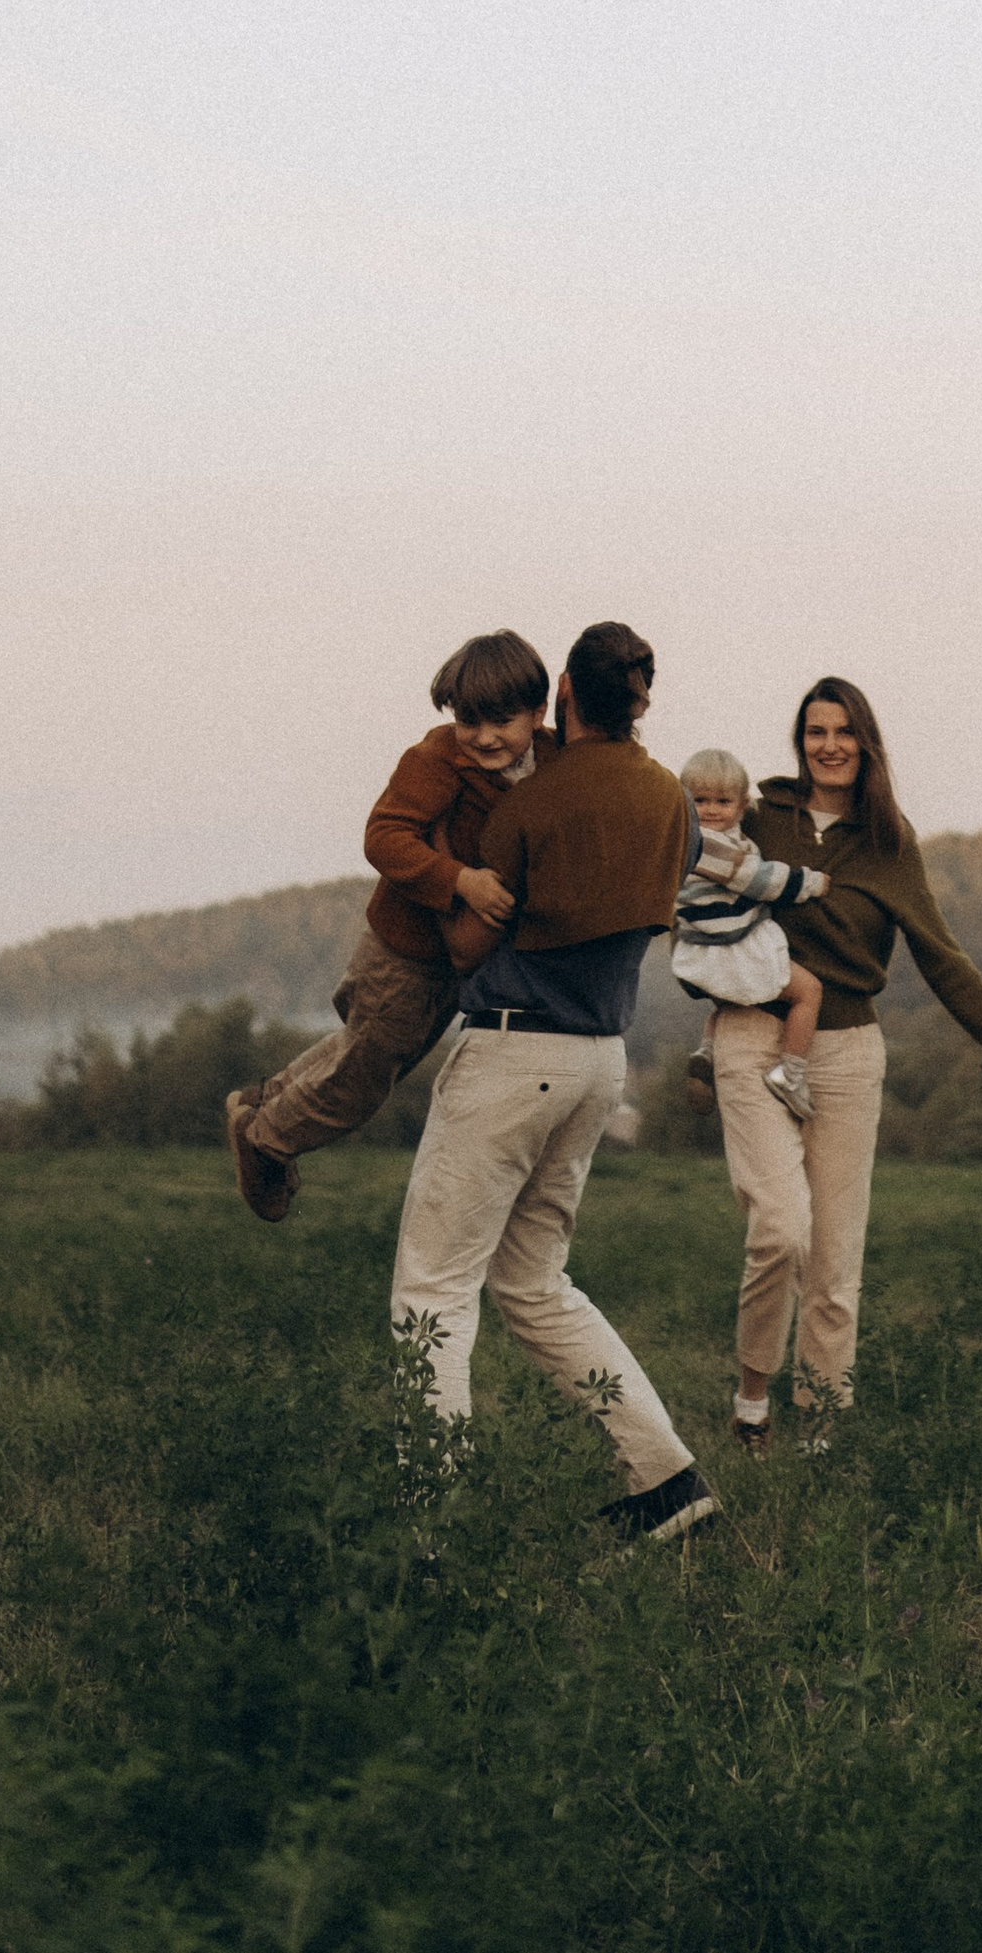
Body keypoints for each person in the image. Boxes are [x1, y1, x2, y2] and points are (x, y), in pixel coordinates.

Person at [387, 621, 724, 1545]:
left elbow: (465, 943)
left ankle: (432, 1522)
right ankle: (666, 1482)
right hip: (597, 1063)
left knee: (432, 1292)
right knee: (534, 1282)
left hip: (510, 1052)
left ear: (563, 696)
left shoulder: (527, 813)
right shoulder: (673, 802)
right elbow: (681, 858)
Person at [713, 681, 982, 1453]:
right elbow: (705, 910)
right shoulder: (761, 817)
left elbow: (938, 950)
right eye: (816, 731)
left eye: (844, 731)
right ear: (800, 740)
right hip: (754, 1035)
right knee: (782, 1230)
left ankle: (820, 1426)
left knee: (834, 1253)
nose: (829, 745)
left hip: (849, 1049)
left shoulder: (888, 841)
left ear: (867, 742)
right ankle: (753, 1396)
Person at [222, 630, 549, 1220]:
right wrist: (461, 880)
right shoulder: (436, 762)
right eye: (468, 720)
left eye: (501, 720)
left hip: (447, 964)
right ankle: (266, 1139)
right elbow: (384, 835)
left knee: (374, 1054)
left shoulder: (548, 760)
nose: (484, 737)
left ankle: (262, 1100)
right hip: (402, 954)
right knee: (366, 1079)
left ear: (539, 713)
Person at [673, 748, 827, 1122]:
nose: (710, 810)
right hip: (733, 945)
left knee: (727, 999)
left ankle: (707, 1051)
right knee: (808, 993)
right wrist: (810, 882)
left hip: (701, 948)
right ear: (684, 802)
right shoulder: (709, 847)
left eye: (722, 801)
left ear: (742, 808)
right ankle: (790, 1073)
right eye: (700, 800)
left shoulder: (680, 842)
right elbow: (762, 881)